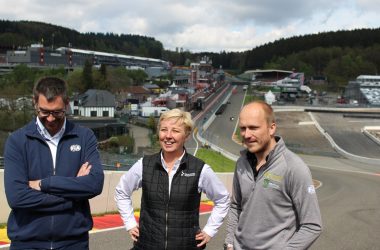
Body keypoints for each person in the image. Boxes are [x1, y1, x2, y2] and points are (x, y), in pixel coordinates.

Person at [4, 76, 104, 250]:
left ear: (66, 104)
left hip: (73, 243)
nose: (50, 119)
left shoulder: (84, 137)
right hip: (27, 243)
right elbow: (17, 197)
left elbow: (94, 184)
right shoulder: (17, 141)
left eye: (57, 112)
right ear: (35, 103)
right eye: (44, 112)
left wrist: (45, 184)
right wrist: (73, 196)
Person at [115, 108, 230, 250]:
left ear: (186, 135)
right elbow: (121, 191)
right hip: (147, 245)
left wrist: (209, 230)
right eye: (164, 130)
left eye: (175, 131)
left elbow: (223, 199)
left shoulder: (199, 169)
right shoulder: (144, 165)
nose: (168, 136)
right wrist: (130, 223)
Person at [224, 101, 322, 250]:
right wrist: (229, 243)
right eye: (243, 128)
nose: (247, 135)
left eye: (253, 128)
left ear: (272, 128)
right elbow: (236, 206)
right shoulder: (241, 163)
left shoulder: (294, 168)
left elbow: (312, 225)